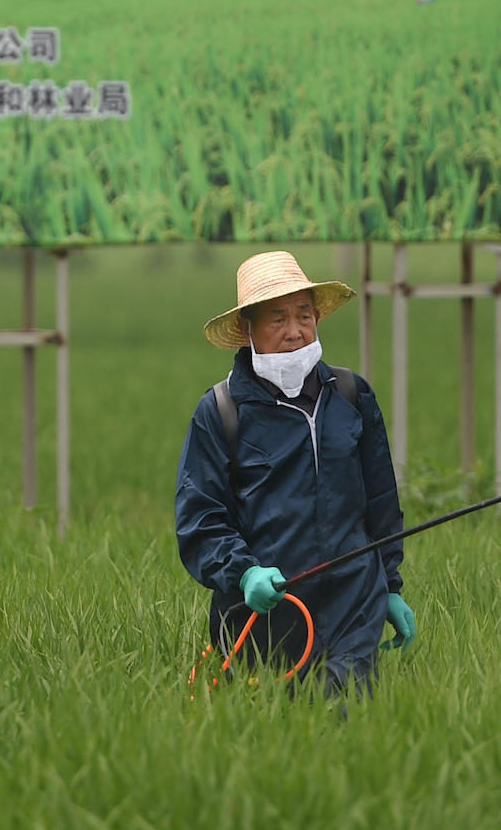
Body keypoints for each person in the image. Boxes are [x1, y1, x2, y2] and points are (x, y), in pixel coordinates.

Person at [175, 250, 415, 694]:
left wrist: (390, 586)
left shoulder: (349, 394)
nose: (294, 332)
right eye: (277, 318)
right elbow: (200, 519)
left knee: (344, 703)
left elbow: (381, 500)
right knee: (275, 718)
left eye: (305, 315)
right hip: (264, 609)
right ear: (248, 330)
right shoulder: (221, 411)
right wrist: (244, 573)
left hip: (353, 601)